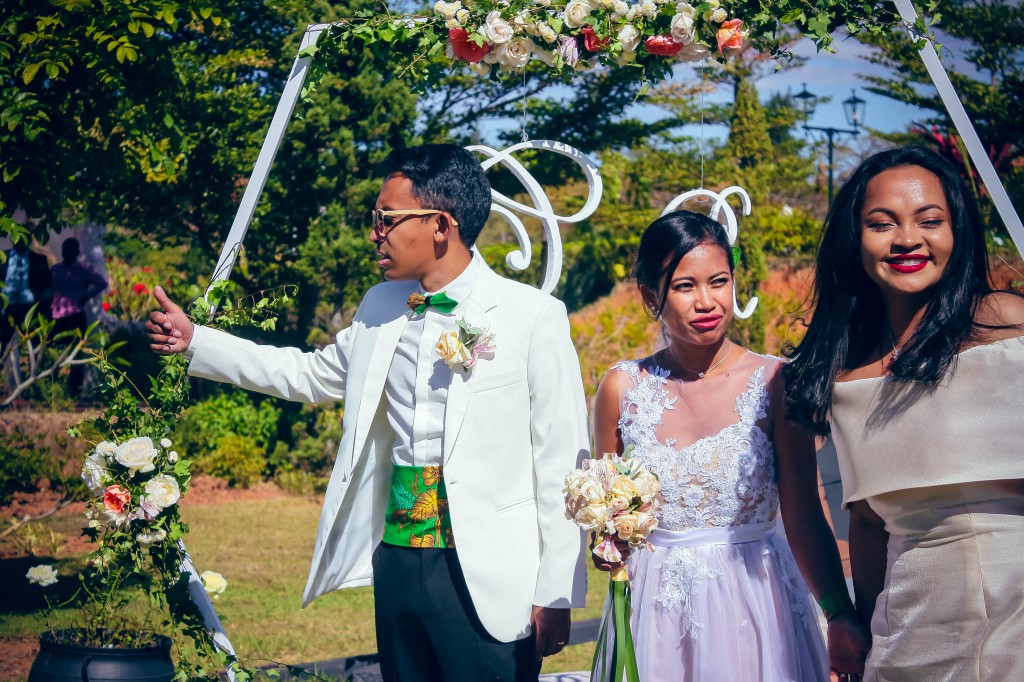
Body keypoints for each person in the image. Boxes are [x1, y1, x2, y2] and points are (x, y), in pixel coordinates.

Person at [146, 144, 589, 681]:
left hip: (491, 574)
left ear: (441, 225)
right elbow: (309, 375)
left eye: (386, 218)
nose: (374, 231)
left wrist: (557, 590)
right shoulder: (380, 305)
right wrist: (198, 342)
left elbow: (563, 460)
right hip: (398, 557)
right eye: (374, 219)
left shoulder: (532, 317)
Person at [591, 210, 868, 682]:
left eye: (718, 281)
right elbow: (606, 519)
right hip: (657, 609)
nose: (707, 301)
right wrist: (605, 540)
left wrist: (839, 613)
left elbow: (803, 510)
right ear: (650, 296)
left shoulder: (776, 381)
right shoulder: (621, 388)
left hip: (758, 600)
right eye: (684, 286)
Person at [783, 145, 1024, 681]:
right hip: (914, 636)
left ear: (957, 230)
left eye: (929, 220)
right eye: (882, 223)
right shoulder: (844, 380)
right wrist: (861, 629)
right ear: (856, 239)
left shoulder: (1012, 330)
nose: (907, 239)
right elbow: (867, 525)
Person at [49, 237, 106, 395]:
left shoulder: (83, 269)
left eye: (70, 250)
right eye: (64, 250)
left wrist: (86, 295)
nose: (67, 253)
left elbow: (102, 283)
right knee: (54, 348)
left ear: (76, 253)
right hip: (57, 315)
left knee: (76, 351)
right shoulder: (55, 270)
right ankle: (53, 383)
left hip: (75, 315)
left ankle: (74, 388)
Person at [1, 240, 52, 347]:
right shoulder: (2, 257)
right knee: (1, 341)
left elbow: (48, 284)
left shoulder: (39, 260)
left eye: (24, 238)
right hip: (6, 306)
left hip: (29, 307)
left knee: (34, 344)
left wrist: (43, 301)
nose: (21, 241)